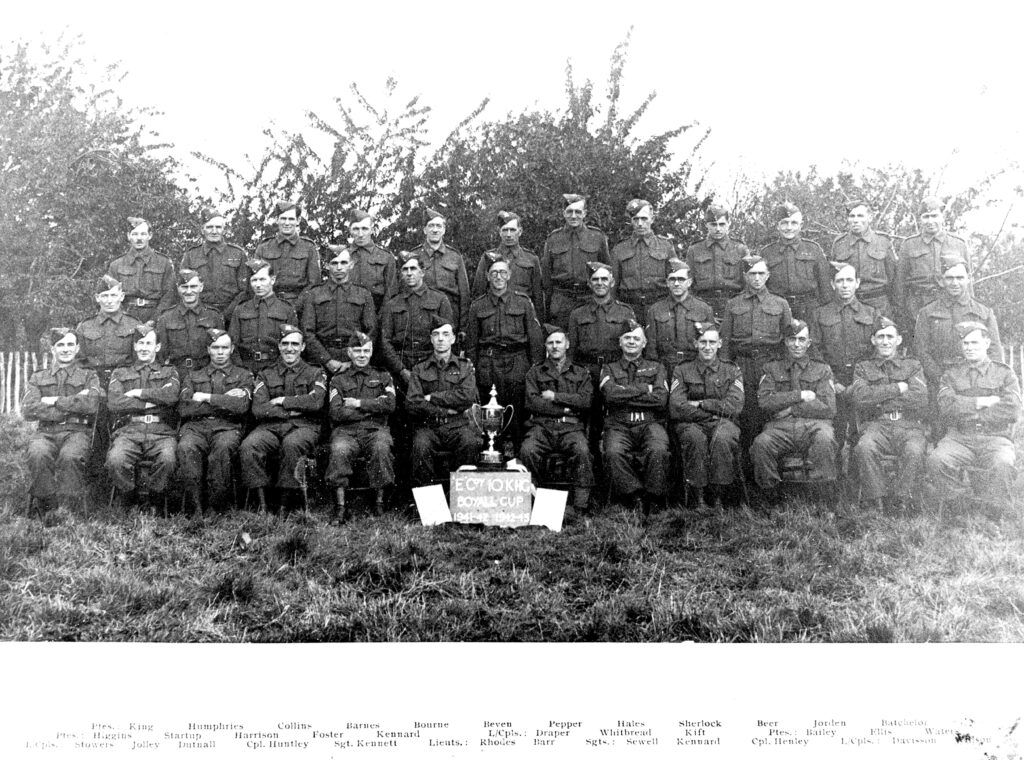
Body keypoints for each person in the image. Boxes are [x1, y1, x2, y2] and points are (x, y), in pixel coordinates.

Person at [925, 321, 1021, 509]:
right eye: (965, 344)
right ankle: (960, 506)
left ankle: (995, 513)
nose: (969, 348)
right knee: (937, 460)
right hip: (959, 437)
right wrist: (980, 403)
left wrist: (968, 411)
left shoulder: (1004, 374)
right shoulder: (951, 375)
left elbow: (1012, 410)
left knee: (1003, 463)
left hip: (995, 437)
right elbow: (946, 408)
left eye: (974, 343)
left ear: (986, 343)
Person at [239, 325, 327, 514]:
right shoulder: (265, 373)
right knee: (250, 445)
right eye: (285, 344)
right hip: (271, 427)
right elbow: (259, 408)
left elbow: (316, 402)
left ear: (303, 347)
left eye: (294, 344)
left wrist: (283, 401)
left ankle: (283, 505)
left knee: (292, 444)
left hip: (305, 426)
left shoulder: (314, 373)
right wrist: (292, 411)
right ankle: (262, 504)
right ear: (279, 346)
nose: (290, 348)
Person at [750, 319, 837, 500]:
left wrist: (791, 409)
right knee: (761, 444)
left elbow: (828, 407)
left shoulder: (822, 369)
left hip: (814, 425)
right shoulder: (771, 368)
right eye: (792, 339)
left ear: (809, 343)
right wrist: (800, 395)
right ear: (785, 341)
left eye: (801, 339)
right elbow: (765, 401)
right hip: (780, 428)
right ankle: (771, 498)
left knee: (825, 439)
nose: (797, 344)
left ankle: (822, 496)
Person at [465, 256, 544, 452]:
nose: (498, 277)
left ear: (509, 275)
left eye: (502, 272)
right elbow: (472, 343)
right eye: (494, 273)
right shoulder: (478, 306)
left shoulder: (523, 302)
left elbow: (535, 340)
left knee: (517, 415)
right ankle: (493, 458)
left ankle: (518, 460)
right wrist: (472, 372)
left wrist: (535, 370)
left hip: (517, 363)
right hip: (488, 364)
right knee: (491, 414)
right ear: (487, 276)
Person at [849, 317, 929, 512]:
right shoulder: (863, 367)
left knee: (915, 449)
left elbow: (920, 398)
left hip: (908, 425)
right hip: (876, 425)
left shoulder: (913, 365)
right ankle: (875, 499)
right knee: (864, 447)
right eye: (881, 337)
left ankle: (902, 499)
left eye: (890, 337)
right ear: (873, 340)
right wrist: (898, 388)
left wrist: (878, 399)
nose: (885, 341)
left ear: (899, 340)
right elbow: (859, 398)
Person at [914, 258, 1001, 435]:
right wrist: (941, 378)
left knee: (978, 430)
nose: (955, 283)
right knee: (941, 433)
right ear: (941, 280)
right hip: (939, 379)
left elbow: (994, 351)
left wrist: (988, 380)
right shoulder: (927, 313)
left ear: (968, 279)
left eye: (960, 277)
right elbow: (921, 351)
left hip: (975, 379)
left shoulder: (983, 313)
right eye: (950, 278)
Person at [22, 327, 103, 512]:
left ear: (76, 348)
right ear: (52, 349)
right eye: (60, 345)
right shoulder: (38, 377)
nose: (65, 349)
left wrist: (53, 402)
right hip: (46, 432)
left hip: (77, 432)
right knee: (37, 453)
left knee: (70, 456)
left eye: (70, 345)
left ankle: (69, 509)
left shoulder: (89, 376)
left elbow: (91, 405)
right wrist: (71, 406)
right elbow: (28, 409)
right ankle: (48, 506)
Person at [720, 255, 793, 455]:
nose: (757, 278)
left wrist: (784, 372)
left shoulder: (780, 304)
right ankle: (746, 467)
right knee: (744, 413)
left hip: (770, 365)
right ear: (745, 276)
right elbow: (725, 341)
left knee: (770, 414)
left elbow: (788, 341)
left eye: (761, 273)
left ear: (768, 275)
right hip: (742, 365)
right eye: (753, 274)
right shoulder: (733, 304)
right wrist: (726, 370)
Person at [176, 329, 253, 515]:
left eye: (224, 348)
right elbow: (185, 408)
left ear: (232, 349)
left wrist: (206, 397)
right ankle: (196, 507)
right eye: (215, 347)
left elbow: (241, 407)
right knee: (187, 447)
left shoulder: (244, 376)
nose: (220, 352)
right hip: (196, 427)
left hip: (228, 426)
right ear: (208, 349)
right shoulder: (193, 376)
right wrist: (224, 401)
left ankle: (215, 507)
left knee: (222, 449)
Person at [668, 322, 744, 511]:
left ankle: (718, 497)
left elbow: (734, 406)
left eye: (712, 342)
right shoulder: (682, 370)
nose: (707, 347)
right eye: (703, 342)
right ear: (695, 344)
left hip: (724, 423)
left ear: (720, 344)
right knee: (695, 438)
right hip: (692, 424)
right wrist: (710, 414)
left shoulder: (732, 370)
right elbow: (677, 407)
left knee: (723, 438)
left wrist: (702, 404)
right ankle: (698, 498)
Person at [520, 325, 595, 515]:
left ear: (567, 344)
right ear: (545, 346)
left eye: (558, 342)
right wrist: (567, 407)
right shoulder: (535, 372)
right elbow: (532, 403)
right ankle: (530, 500)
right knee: (528, 450)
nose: (554, 346)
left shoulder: (581, 373)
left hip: (571, 428)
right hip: (542, 427)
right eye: (550, 343)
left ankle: (580, 505)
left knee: (582, 451)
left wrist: (554, 397)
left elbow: (586, 401)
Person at [105, 322, 180, 511]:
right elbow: (115, 402)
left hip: (161, 431)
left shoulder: (169, 372)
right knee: (116, 459)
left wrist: (137, 392)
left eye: (149, 343)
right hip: (129, 430)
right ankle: (129, 498)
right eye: (140, 343)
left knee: (168, 460)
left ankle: (154, 501)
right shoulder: (120, 373)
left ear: (157, 347)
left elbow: (171, 397)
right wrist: (153, 400)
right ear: (135, 346)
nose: (144, 348)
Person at [808, 263, 879, 460]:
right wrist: (832, 381)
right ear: (832, 284)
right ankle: (836, 481)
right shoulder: (820, 313)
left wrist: (860, 383)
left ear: (857, 283)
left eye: (849, 280)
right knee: (833, 435)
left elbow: (877, 352)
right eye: (840, 281)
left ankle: (858, 481)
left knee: (864, 437)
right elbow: (815, 351)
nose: (845, 285)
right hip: (833, 382)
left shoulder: (871, 313)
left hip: (862, 383)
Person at [599, 320, 670, 514]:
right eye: (627, 338)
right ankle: (634, 495)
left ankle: (654, 497)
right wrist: (643, 389)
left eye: (636, 338)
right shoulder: (609, 368)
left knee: (659, 450)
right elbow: (610, 396)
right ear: (620, 342)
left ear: (644, 343)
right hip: (619, 424)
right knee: (613, 452)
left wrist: (625, 393)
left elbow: (660, 399)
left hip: (650, 422)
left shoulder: (657, 367)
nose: (632, 342)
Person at [325, 332, 396, 521]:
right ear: (349, 353)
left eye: (366, 350)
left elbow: (389, 405)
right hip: (345, 432)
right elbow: (336, 412)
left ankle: (379, 503)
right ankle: (340, 507)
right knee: (339, 449)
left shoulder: (383, 376)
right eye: (357, 351)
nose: (362, 355)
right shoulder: (338, 380)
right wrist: (373, 407)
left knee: (381, 447)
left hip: (375, 430)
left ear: (372, 352)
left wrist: (358, 404)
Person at [566, 263, 636, 448]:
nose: (600, 283)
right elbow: (571, 350)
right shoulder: (577, 313)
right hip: (587, 371)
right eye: (595, 279)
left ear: (612, 282)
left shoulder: (625, 312)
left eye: (604, 279)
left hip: (615, 371)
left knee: (616, 418)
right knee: (588, 420)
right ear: (589, 284)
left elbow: (632, 346)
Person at [405, 319, 480, 487]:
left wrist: (432, 397)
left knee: (470, 443)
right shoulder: (420, 369)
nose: (440, 339)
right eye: (436, 334)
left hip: (457, 425)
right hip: (429, 426)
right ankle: (426, 503)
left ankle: (461, 499)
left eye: (446, 334)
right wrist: (443, 412)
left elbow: (467, 396)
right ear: (431, 339)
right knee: (420, 446)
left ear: (453, 339)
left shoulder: (465, 367)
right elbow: (412, 403)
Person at [895, 196, 973, 342]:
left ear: (942, 217)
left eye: (934, 216)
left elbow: (968, 283)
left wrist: (969, 311)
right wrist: (901, 318)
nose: (930, 221)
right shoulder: (909, 245)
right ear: (919, 219)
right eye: (926, 217)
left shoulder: (958, 244)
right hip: (918, 307)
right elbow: (899, 286)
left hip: (950, 306)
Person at [379, 253, 454, 389]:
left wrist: (431, 367)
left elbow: (447, 338)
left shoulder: (439, 300)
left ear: (422, 272)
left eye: (413, 269)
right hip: (401, 366)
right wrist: (401, 370)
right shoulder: (392, 304)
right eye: (405, 269)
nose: (409, 273)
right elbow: (385, 341)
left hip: (432, 365)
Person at [300, 245, 377, 374]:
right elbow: (307, 331)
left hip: (354, 358)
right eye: (334, 263)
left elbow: (371, 331)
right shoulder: (314, 294)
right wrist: (327, 360)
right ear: (326, 265)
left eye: (343, 263)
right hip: (321, 360)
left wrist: (353, 359)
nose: (339, 267)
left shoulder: (363, 294)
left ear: (351, 265)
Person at [541, 194, 609, 329]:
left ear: (584, 213)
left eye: (577, 212)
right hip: (561, 301)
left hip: (589, 299)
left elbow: (607, 270)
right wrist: (548, 309)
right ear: (563, 214)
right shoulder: (553, 239)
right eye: (569, 211)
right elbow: (547, 278)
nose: (573, 216)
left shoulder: (597, 237)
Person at [758, 202, 831, 320]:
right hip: (777, 309)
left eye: (794, 223)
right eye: (784, 223)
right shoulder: (767, 252)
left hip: (809, 310)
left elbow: (825, 287)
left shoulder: (813, 249)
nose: (789, 227)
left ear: (801, 225)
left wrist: (825, 313)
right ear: (777, 225)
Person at [644, 258, 714, 378]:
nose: (676, 283)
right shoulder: (655, 309)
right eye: (672, 279)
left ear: (689, 282)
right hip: (664, 367)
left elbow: (711, 343)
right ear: (667, 282)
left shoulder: (704, 309)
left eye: (681, 279)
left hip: (695, 367)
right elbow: (651, 349)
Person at [610, 198, 676, 325]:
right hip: (628, 309)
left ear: (652, 219)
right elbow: (613, 286)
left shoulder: (665, 247)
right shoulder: (619, 249)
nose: (640, 223)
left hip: (659, 308)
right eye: (635, 219)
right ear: (631, 221)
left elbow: (675, 280)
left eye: (644, 219)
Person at [407, 207, 470, 338]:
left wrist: (463, 327)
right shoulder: (414, 255)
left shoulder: (455, 256)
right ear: (424, 230)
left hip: (450, 317)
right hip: (422, 316)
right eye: (431, 226)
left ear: (444, 230)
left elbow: (464, 295)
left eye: (438, 226)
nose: (435, 230)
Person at [228, 259, 298, 373]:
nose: (258, 285)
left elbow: (293, 345)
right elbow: (232, 344)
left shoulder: (286, 309)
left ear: (273, 280)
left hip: (276, 370)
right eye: (254, 280)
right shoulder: (241, 309)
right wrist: (241, 371)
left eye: (262, 279)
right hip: (245, 368)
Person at [829, 200, 897, 316]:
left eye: (860, 216)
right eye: (852, 216)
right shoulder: (839, 243)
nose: (855, 220)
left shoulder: (883, 241)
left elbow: (893, 277)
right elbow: (833, 276)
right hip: (849, 304)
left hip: (878, 304)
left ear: (869, 217)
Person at [472, 211, 544, 320]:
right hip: (493, 315)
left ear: (520, 231)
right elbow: (478, 292)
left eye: (512, 230)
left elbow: (538, 297)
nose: (509, 234)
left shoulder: (531, 259)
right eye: (505, 230)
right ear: (499, 232)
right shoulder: (488, 258)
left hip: (522, 316)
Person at [75, 275, 142, 388]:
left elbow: (139, 360)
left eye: (113, 295)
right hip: (93, 383)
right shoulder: (85, 326)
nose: (109, 301)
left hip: (125, 382)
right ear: (97, 298)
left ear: (121, 297)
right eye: (105, 296)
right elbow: (79, 361)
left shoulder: (134, 324)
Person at [155, 269, 224, 377]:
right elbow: (161, 354)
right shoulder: (166, 317)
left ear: (201, 287)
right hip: (176, 373)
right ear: (178, 288)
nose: (188, 291)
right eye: (184, 287)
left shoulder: (214, 316)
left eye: (193, 287)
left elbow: (222, 349)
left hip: (206, 374)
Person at [106, 216, 176, 322]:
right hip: (124, 317)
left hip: (156, 317)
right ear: (129, 236)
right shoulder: (116, 265)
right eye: (135, 234)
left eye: (143, 234)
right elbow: (110, 297)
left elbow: (169, 296)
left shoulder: (164, 263)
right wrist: (124, 320)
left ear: (150, 235)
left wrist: (153, 322)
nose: (139, 238)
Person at [180, 209, 249, 317]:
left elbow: (245, 290)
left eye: (218, 227)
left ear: (224, 230)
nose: (214, 231)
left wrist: (227, 314)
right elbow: (184, 288)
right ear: (202, 230)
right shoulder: (191, 255)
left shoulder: (238, 254)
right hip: (201, 314)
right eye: (209, 227)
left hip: (232, 315)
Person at [253, 201, 321, 308]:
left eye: (291, 219)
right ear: (277, 220)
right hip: (269, 304)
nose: (287, 223)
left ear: (298, 220)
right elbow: (256, 280)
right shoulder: (264, 247)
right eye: (283, 218)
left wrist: (296, 306)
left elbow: (314, 283)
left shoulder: (308, 247)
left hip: (300, 305)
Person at [685, 204, 749, 318]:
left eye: (722, 224)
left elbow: (748, 284)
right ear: (706, 225)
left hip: (734, 304)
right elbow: (688, 283)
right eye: (713, 224)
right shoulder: (695, 249)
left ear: (728, 224)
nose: (718, 229)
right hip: (702, 304)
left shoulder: (740, 249)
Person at [346, 208, 398, 313]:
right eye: (356, 229)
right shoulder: (342, 257)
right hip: (347, 315)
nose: (360, 234)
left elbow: (391, 294)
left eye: (364, 229)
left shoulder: (386, 257)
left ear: (372, 230)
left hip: (377, 313)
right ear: (350, 230)